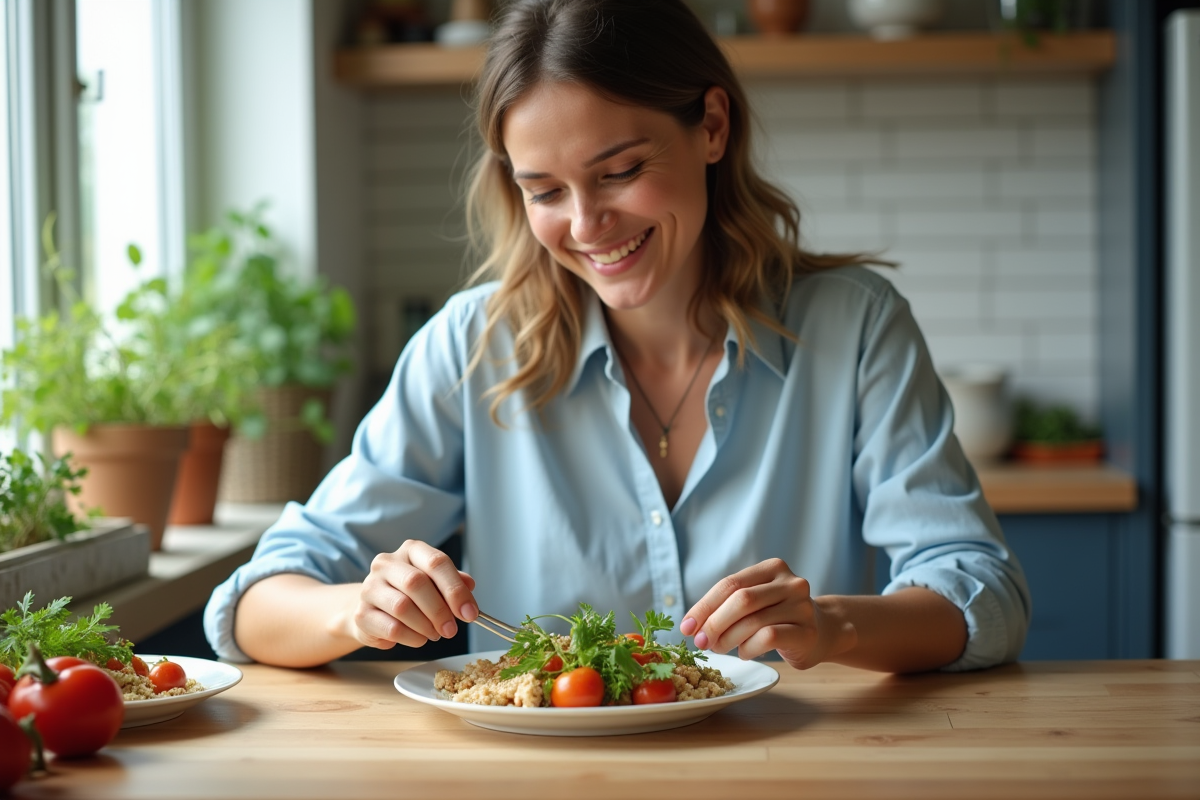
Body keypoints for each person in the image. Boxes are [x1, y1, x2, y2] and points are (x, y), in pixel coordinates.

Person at [204, 0, 1030, 674]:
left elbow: (983, 594)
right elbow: (252, 604)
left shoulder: (856, 326)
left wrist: (836, 627)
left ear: (711, 126)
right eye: (545, 190)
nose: (587, 225)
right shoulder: (470, 344)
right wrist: (360, 608)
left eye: (621, 171)